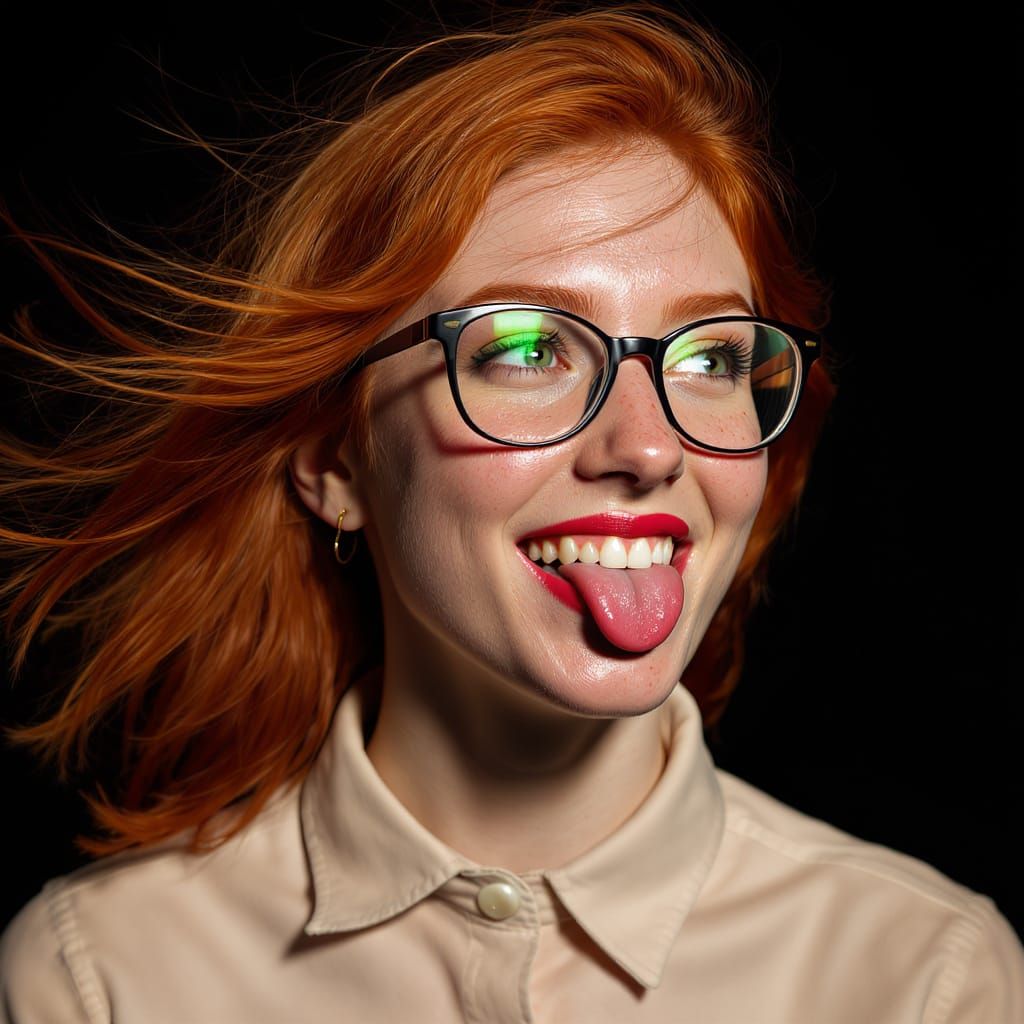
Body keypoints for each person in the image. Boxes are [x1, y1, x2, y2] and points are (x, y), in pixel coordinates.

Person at [1, 4, 1021, 1022]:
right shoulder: (100, 977)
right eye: (528, 348)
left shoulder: (927, 978)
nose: (649, 448)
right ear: (333, 461)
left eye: (709, 355)